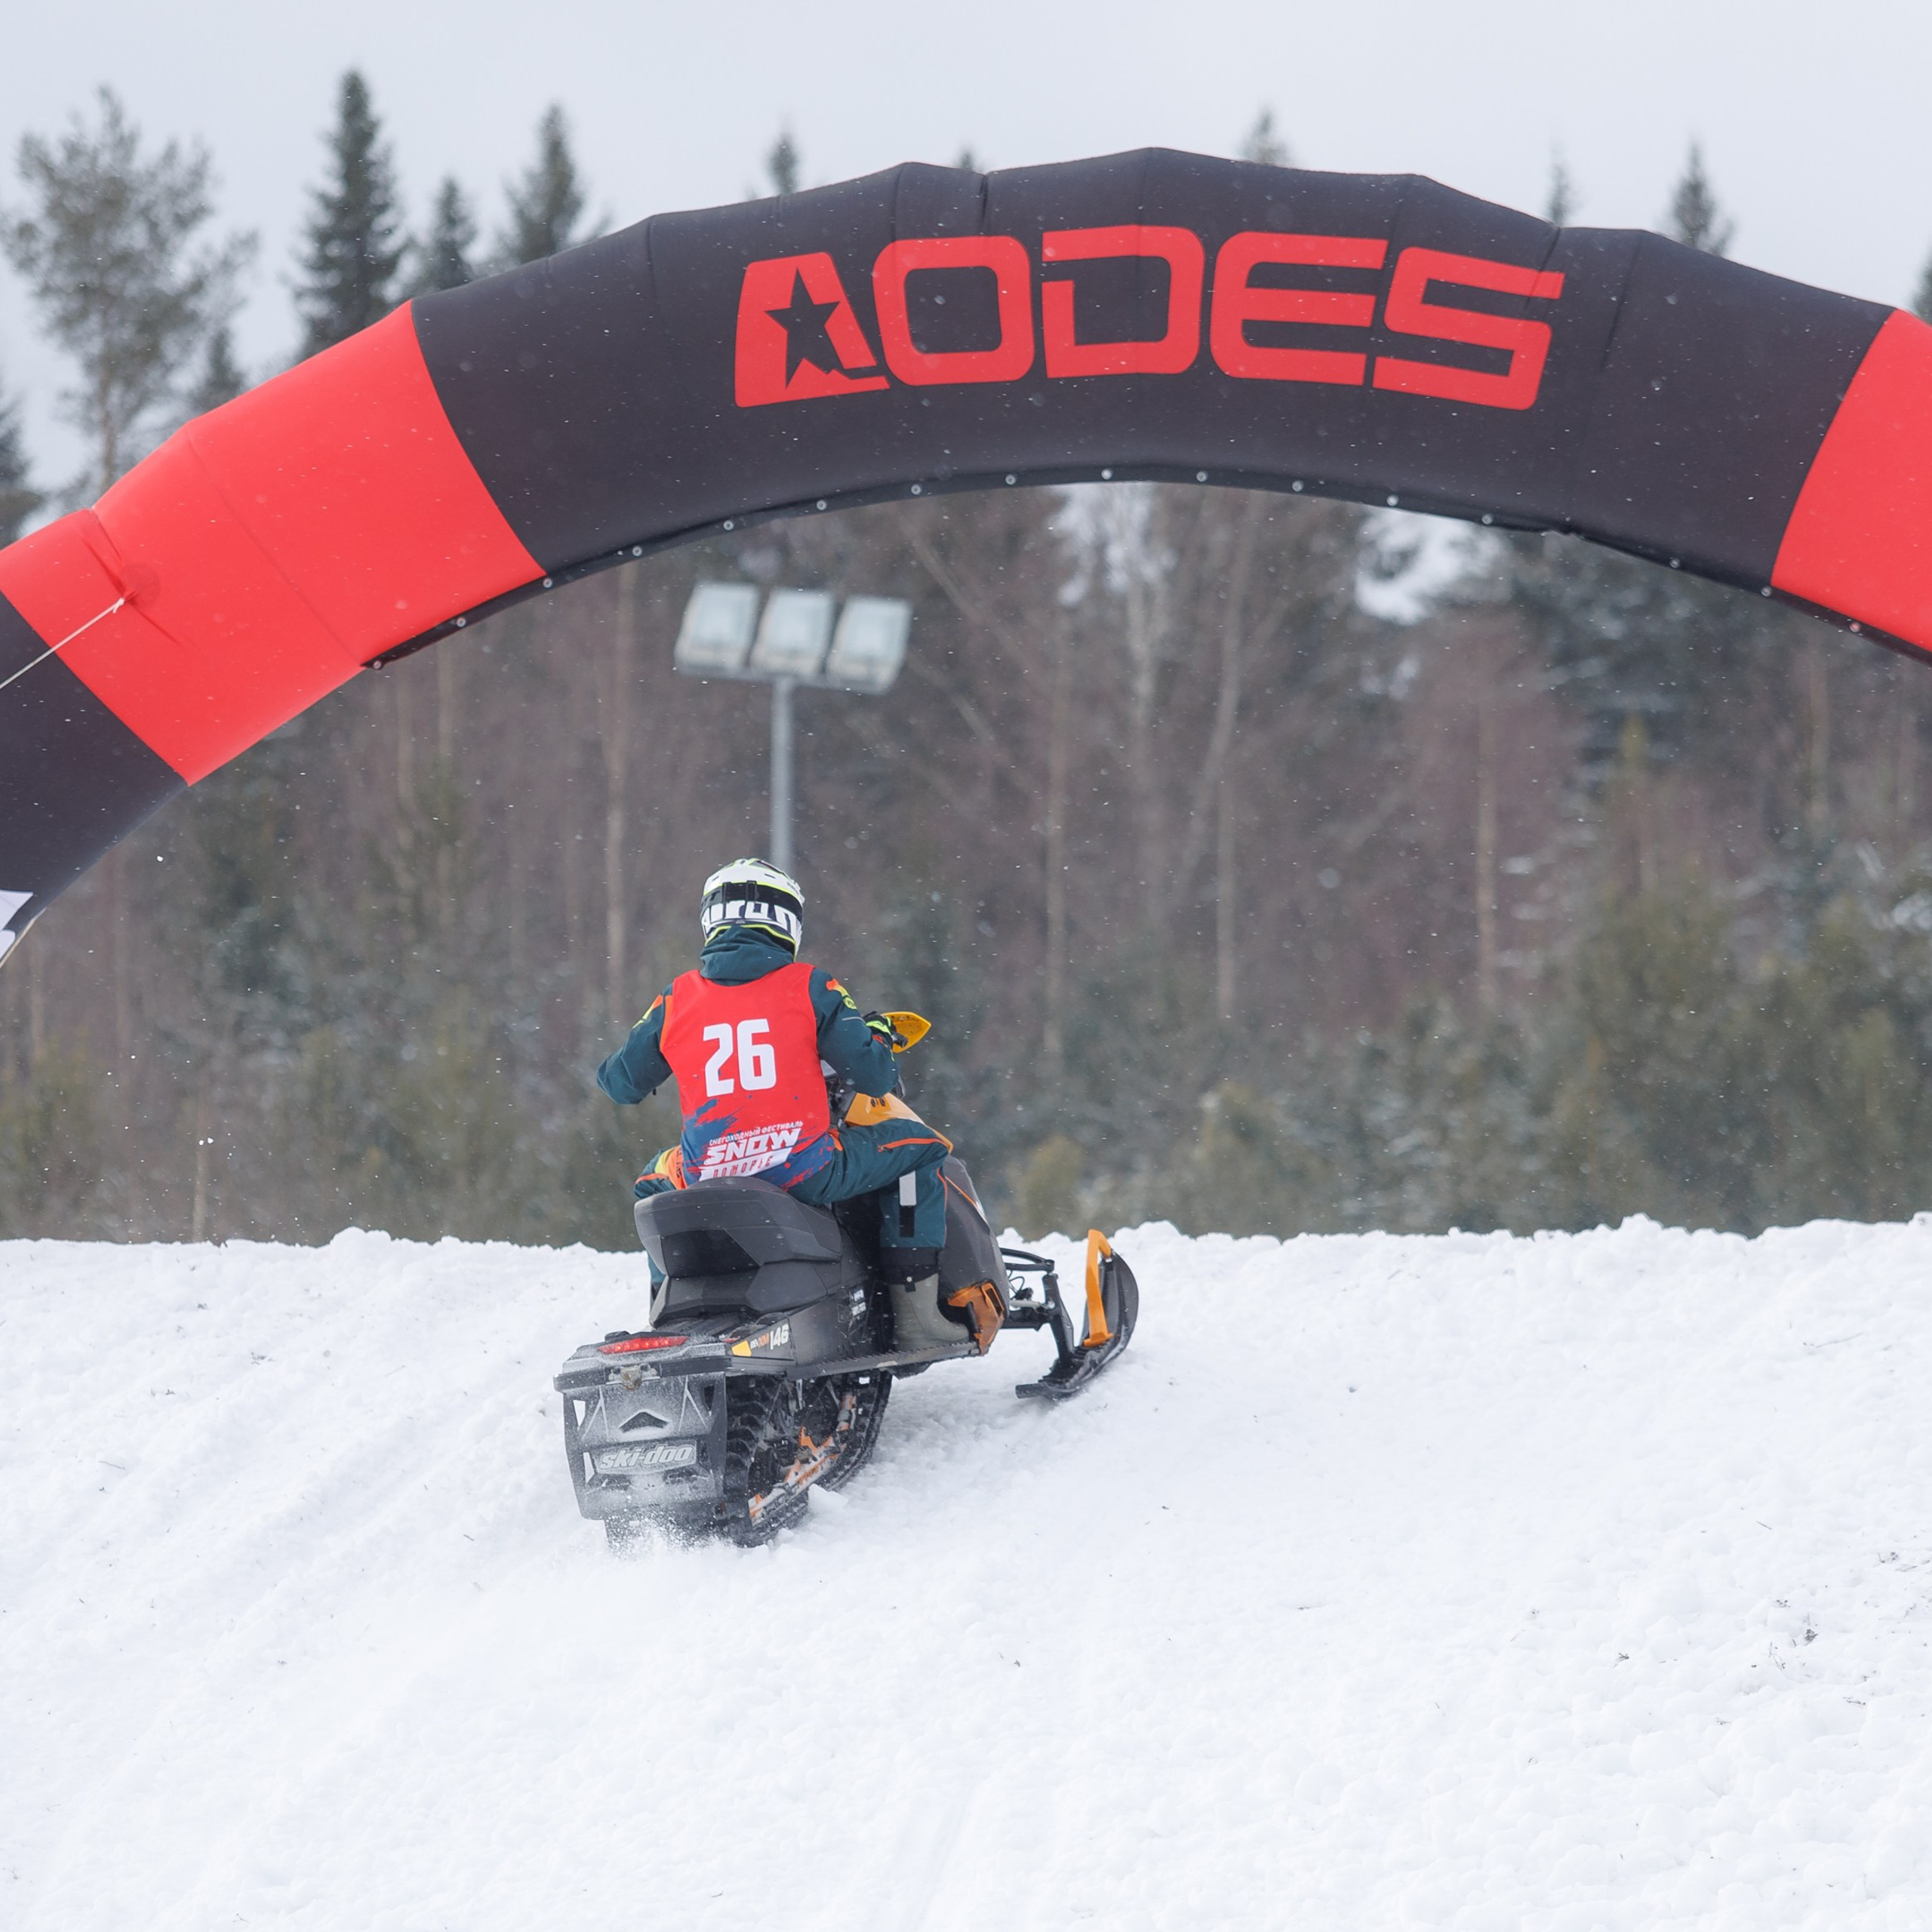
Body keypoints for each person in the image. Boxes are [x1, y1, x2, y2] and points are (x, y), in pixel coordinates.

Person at [596, 858, 949, 1281]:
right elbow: (874, 1078)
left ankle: (671, 1297)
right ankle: (914, 1306)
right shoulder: (812, 985)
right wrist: (875, 1033)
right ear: (786, 921)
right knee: (923, 1147)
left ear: (711, 919)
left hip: (707, 1172)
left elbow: (621, 1085)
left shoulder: (676, 999)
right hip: (803, 1170)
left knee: (652, 1181)